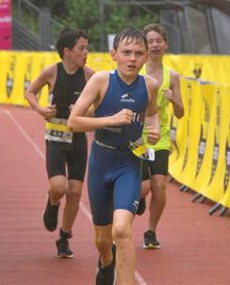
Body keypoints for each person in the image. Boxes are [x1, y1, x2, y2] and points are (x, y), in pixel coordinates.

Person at [68, 27, 160, 285]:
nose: (132, 59)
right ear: (113, 55)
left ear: (145, 58)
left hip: (129, 164)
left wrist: (154, 130)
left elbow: (152, 113)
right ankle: (106, 262)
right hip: (100, 163)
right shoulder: (100, 81)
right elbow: (73, 123)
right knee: (102, 239)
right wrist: (112, 119)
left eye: (139, 54)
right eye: (126, 52)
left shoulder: (149, 85)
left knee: (121, 229)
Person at [25, 28, 95, 258]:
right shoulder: (51, 72)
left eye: (87, 47)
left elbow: (102, 103)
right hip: (55, 137)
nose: (87, 52)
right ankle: (52, 202)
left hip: (77, 139)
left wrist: (87, 111)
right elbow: (30, 92)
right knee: (59, 187)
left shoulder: (90, 76)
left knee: (75, 192)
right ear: (67, 52)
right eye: (82, 48)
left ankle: (64, 237)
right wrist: (41, 109)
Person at [137, 23, 184, 250]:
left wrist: (173, 98)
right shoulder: (136, 70)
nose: (155, 45)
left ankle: (151, 231)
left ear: (165, 44)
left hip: (160, 138)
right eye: (150, 41)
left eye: (158, 41)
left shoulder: (172, 76)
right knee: (143, 188)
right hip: (136, 137)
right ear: (144, 46)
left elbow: (181, 113)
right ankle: (140, 197)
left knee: (159, 186)